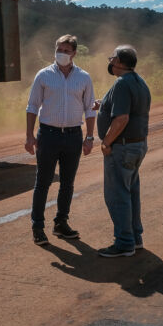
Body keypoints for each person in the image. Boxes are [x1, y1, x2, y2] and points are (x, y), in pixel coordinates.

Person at [25, 34, 96, 246]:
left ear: (74, 53)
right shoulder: (43, 75)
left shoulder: (84, 77)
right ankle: (38, 226)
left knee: (67, 183)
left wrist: (90, 137)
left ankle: (61, 223)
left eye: (66, 51)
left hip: (74, 136)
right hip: (48, 135)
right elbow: (32, 106)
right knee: (43, 182)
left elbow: (90, 109)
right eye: (59, 50)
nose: (62, 54)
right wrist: (29, 135)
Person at [95, 45, 151, 258]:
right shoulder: (139, 82)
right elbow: (129, 109)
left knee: (117, 195)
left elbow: (122, 118)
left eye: (112, 58)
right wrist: (103, 106)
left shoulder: (121, 84)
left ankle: (124, 243)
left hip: (122, 147)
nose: (110, 62)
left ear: (119, 62)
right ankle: (135, 238)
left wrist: (106, 143)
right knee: (131, 192)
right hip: (137, 146)